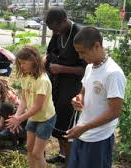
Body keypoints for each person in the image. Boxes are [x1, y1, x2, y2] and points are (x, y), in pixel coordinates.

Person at [65, 27, 126, 168]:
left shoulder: (113, 73)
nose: (80, 57)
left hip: (99, 138)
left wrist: (85, 127)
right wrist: (78, 98)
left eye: (83, 52)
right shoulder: (90, 67)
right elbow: (83, 91)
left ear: (97, 46)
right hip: (82, 132)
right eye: (78, 52)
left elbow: (114, 112)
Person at [44, 7, 87, 165]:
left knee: (67, 123)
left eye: (55, 28)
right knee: (56, 120)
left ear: (63, 21)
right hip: (57, 82)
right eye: (51, 29)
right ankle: (62, 155)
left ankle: (71, 159)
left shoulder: (79, 34)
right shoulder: (58, 33)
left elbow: (84, 69)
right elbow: (50, 52)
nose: (54, 32)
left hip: (73, 85)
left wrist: (62, 68)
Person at [6, 46, 56, 168]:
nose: (21, 66)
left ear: (33, 60)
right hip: (33, 117)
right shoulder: (25, 76)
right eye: (19, 63)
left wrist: (20, 119)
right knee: (29, 148)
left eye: (23, 63)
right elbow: (24, 100)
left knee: (37, 153)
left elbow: (38, 106)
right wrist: (17, 116)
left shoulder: (42, 80)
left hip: (45, 119)